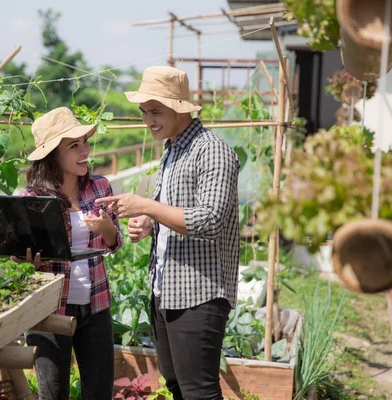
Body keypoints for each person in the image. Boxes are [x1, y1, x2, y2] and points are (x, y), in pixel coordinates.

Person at [96, 66, 240, 400]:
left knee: (199, 392)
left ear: (179, 107)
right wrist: (151, 224)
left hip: (199, 293)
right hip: (167, 289)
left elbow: (210, 220)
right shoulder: (172, 149)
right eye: (144, 112)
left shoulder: (212, 151)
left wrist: (147, 206)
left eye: (156, 111)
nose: (148, 120)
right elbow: (178, 212)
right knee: (177, 387)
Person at [16, 107, 123, 400]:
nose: (85, 151)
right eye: (74, 146)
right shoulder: (32, 199)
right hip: (49, 310)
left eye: (85, 142)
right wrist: (28, 261)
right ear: (52, 155)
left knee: (99, 393)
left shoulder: (100, 187)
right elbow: (18, 257)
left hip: (95, 308)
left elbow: (115, 242)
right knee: (52, 394)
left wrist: (105, 228)